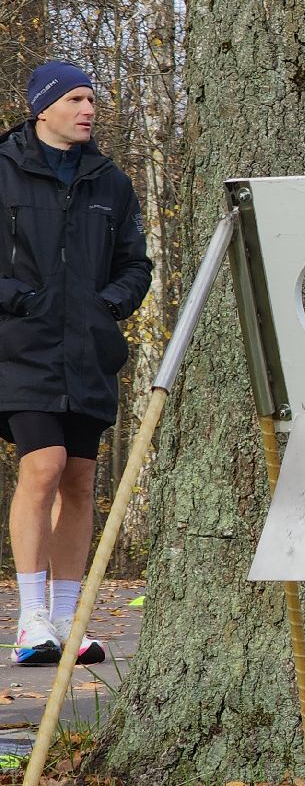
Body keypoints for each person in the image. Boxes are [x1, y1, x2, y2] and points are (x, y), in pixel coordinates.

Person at [1, 61, 152, 667]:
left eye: (92, 99)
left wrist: (106, 304)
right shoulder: (4, 170)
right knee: (43, 465)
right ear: (44, 107)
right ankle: (30, 617)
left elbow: (135, 264)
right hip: (20, 348)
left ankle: (66, 621)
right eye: (76, 99)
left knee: (81, 481)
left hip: (88, 350)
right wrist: (16, 299)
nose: (88, 108)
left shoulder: (110, 183)